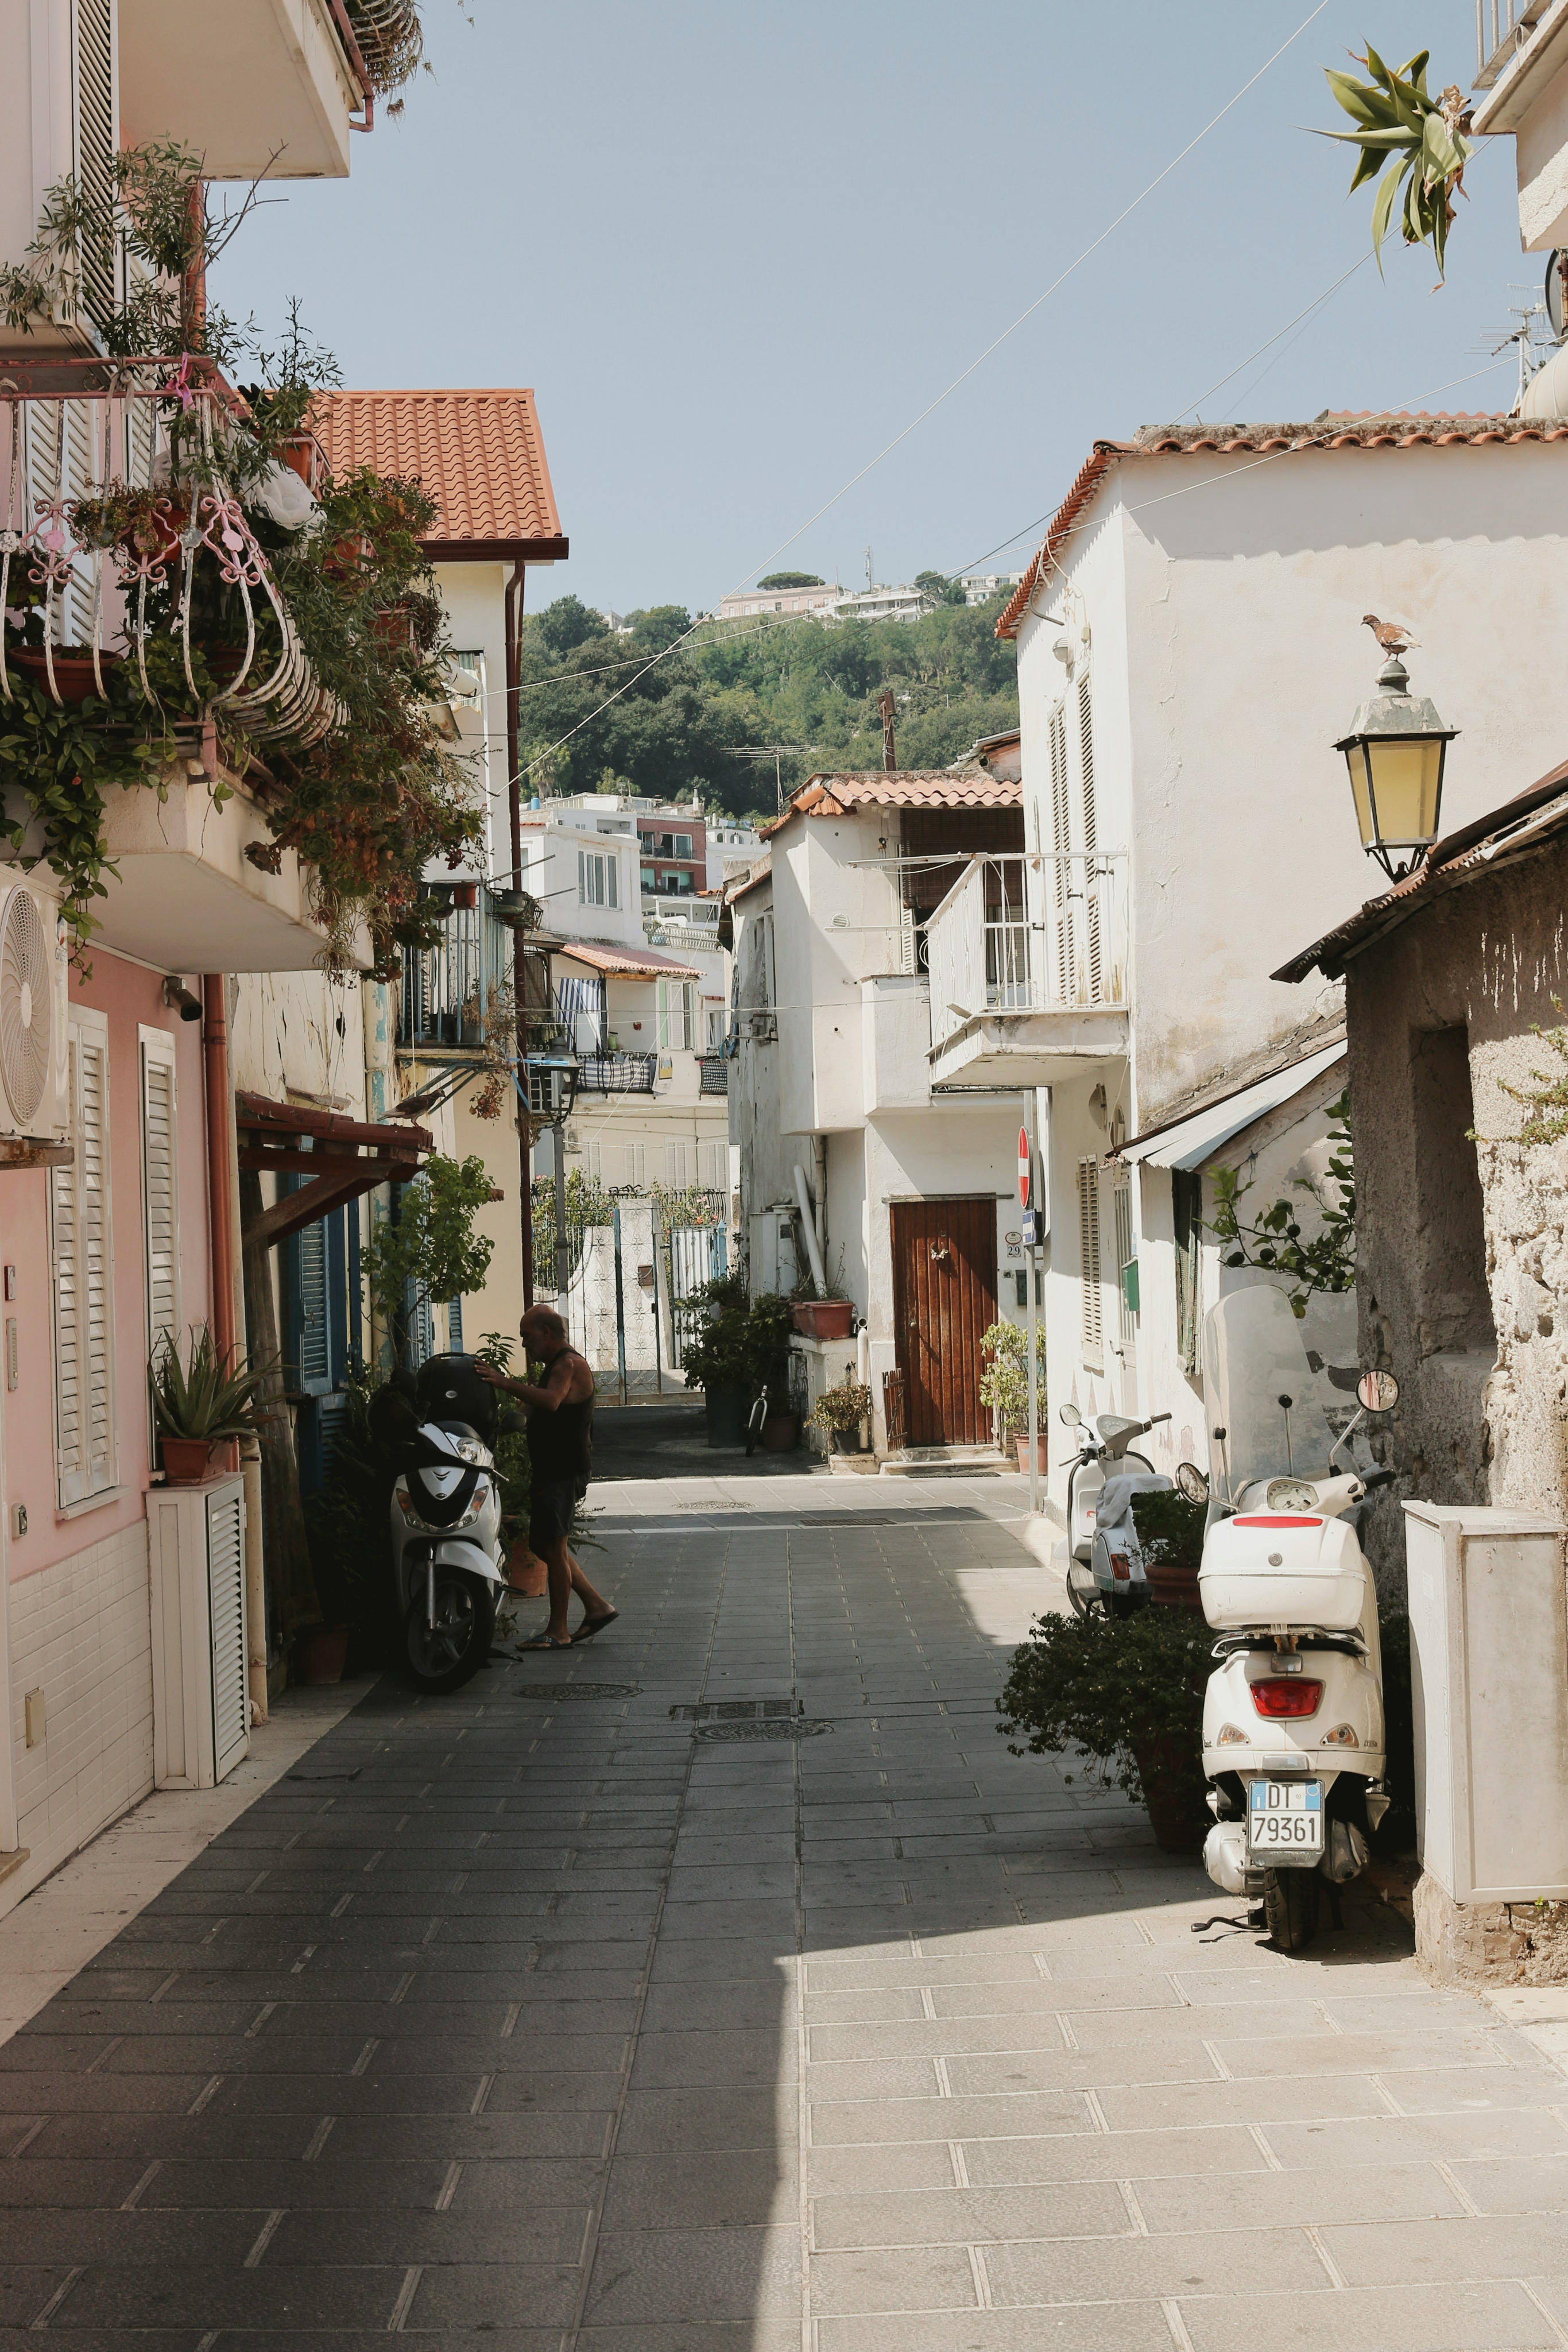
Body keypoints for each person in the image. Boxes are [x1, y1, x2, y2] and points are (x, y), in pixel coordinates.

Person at [478, 1305, 615, 1650]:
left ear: (547, 1333)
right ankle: (597, 1606)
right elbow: (534, 1410)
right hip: (551, 1470)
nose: (524, 1343)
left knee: (554, 1548)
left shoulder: (568, 1364)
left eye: (527, 1336)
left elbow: (552, 1402)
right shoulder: (554, 1367)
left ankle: (558, 1632)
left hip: (563, 1470)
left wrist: (502, 1381)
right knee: (543, 1545)